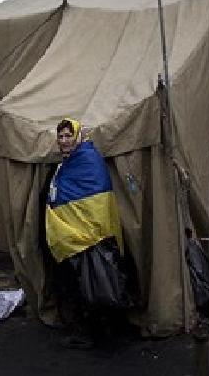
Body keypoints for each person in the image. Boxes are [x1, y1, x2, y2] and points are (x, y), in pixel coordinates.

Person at [43, 118, 132, 349]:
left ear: (78, 136)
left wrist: (87, 231)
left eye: (68, 136)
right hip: (71, 238)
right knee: (80, 288)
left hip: (92, 238)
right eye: (60, 137)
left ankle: (99, 336)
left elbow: (97, 202)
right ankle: (88, 332)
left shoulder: (88, 160)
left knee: (95, 289)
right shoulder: (66, 164)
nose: (64, 141)